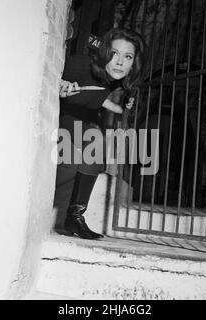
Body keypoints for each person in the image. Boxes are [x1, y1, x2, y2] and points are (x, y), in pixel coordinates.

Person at [55, 28, 145, 240]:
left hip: (80, 123)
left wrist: (115, 105)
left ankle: (75, 216)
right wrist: (60, 86)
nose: (120, 62)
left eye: (128, 57)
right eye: (114, 54)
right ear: (104, 52)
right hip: (61, 118)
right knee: (95, 141)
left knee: (97, 144)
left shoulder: (120, 83)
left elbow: (121, 110)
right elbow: (52, 81)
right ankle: (73, 217)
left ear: (134, 63)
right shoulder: (80, 64)